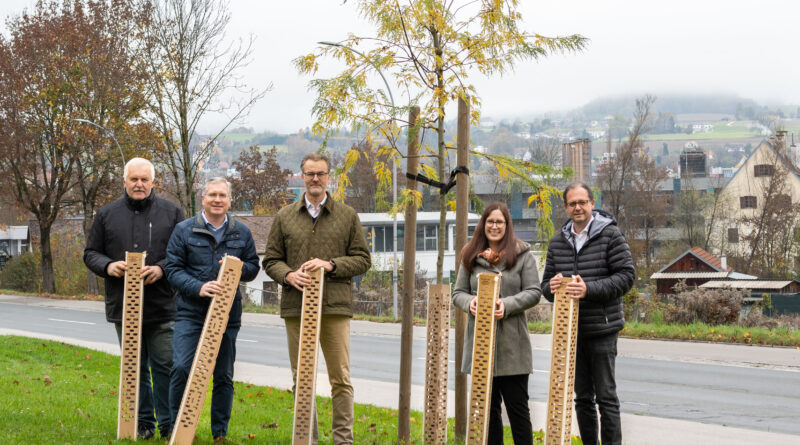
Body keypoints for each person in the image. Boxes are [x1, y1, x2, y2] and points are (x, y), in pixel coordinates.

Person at [263, 153, 371, 445]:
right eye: (310, 173)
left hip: (334, 307)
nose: (315, 179)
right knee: (302, 378)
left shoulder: (347, 215)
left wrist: (331, 265)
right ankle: (305, 439)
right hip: (296, 307)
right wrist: (288, 275)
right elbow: (271, 260)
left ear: (328, 177)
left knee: (341, 379)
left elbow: (363, 259)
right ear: (302, 176)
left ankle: (343, 441)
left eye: (320, 174)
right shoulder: (285, 216)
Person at [84, 157, 184, 440]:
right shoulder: (106, 214)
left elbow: (182, 253)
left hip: (162, 304)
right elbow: (91, 253)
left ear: (153, 182)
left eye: (144, 179)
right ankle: (142, 423)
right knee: (134, 368)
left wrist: (161, 268)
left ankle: (168, 423)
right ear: (124, 181)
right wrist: (108, 266)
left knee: (165, 366)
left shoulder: (173, 213)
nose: (139, 184)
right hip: (124, 305)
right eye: (134, 179)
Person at [163, 177, 260, 442]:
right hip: (190, 312)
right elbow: (172, 269)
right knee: (181, 368)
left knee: (223, 375)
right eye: (212, 195)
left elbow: (253, 267)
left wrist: (238, 266)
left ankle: (220, 434)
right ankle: (179, 431)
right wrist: (198, 287)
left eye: (222, 195)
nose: (217, 200)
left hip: (227, 314)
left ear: (230, 200)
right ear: (203, 198)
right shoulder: (184, 230)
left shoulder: (242, 232)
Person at [541, 182, 634, 445]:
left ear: (592, 203)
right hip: (570, 332)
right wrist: (552, 287)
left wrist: (588, 289)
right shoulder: (557, 243)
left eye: (582, 202)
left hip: (603, 328)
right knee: (582, 398)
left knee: (606, 397)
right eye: (572, 203)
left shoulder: (611, 235)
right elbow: (545, 286)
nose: (578, 207)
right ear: (565, 207)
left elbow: (626, 277)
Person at [452, 202, 541, 445]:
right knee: (488, 415)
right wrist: (470, 302)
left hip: (513, 348)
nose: (494, 226)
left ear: (507, 225)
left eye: (499, 222)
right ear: (483, 224)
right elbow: (458, 293)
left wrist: (507, 305)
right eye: (490, 221)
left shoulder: (522, 255)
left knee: (518, 411)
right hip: (481, 346)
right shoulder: (470, 254)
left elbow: (534, 291)